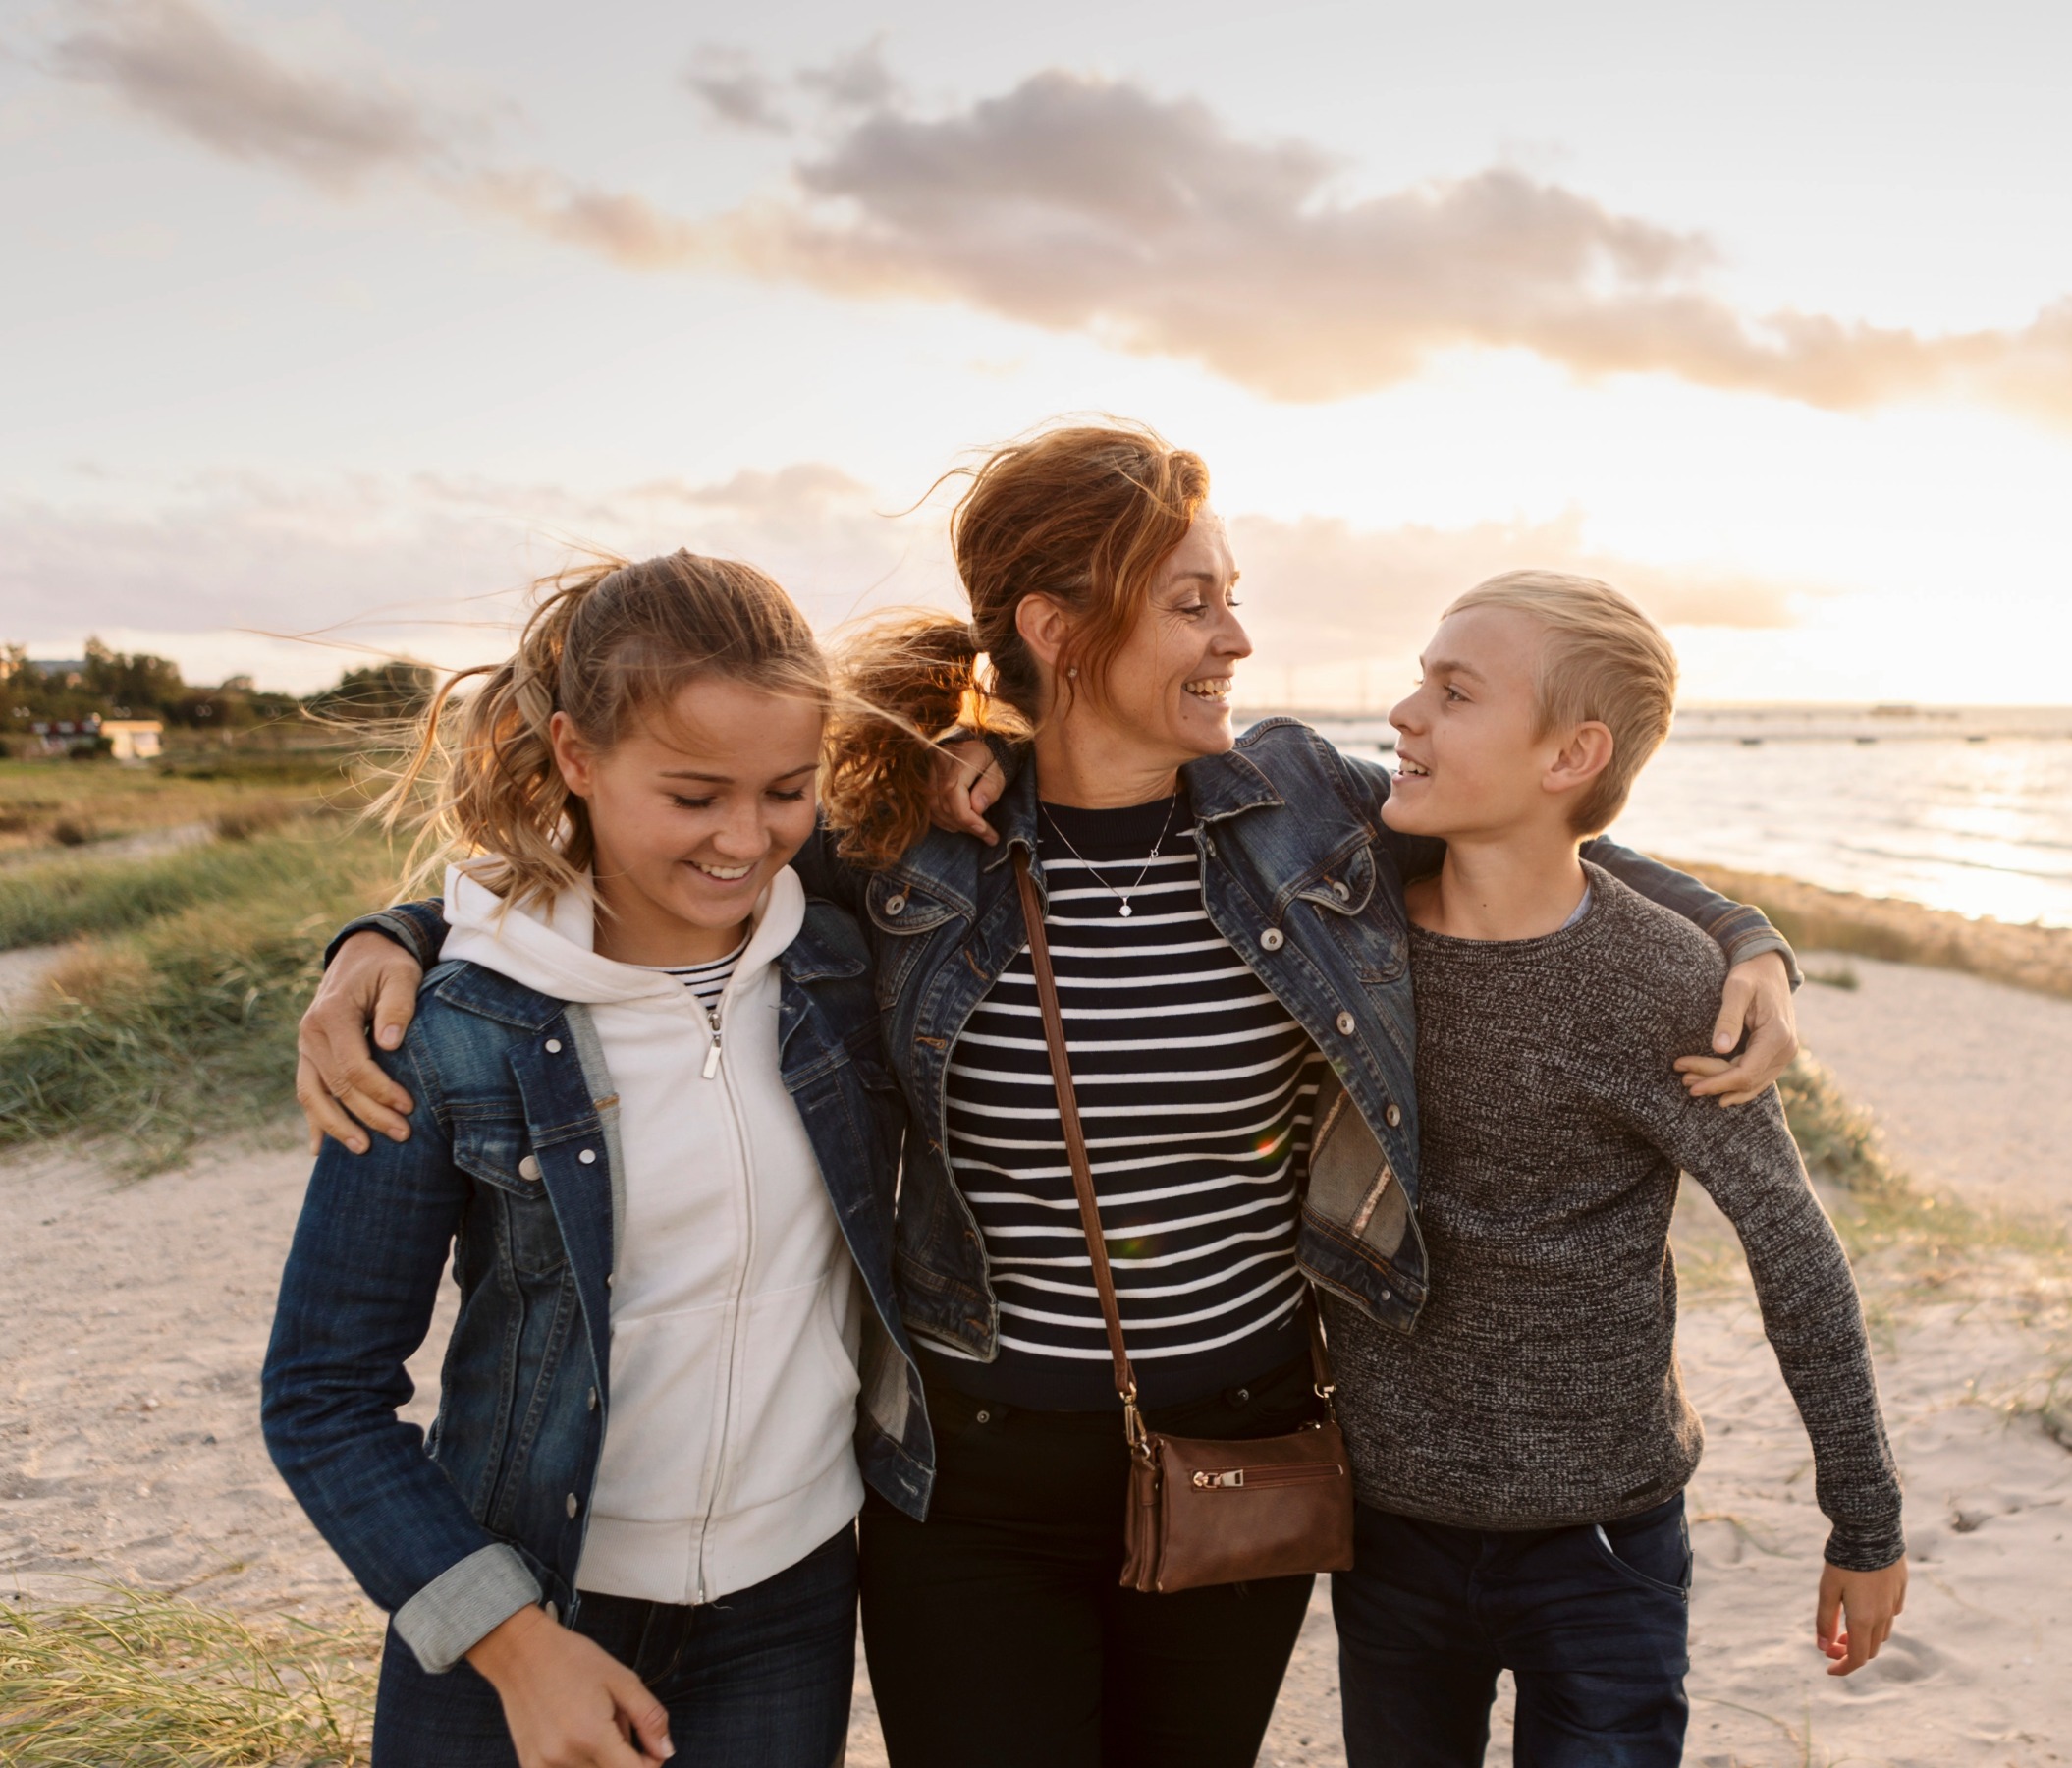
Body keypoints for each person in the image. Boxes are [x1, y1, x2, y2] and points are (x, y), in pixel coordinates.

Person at [293, 423, 1809, 1765]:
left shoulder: (1304, 814)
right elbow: (635, 857)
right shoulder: (906, 841)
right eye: (1196, 600)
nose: (1238, 641)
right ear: (1057, 628)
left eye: (1235, 597)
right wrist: (404, 933)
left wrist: (1746, 935)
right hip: (971, 1481)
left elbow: (1531, 833)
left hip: (1246, 1449)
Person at [259, 553, 931, 1768]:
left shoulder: (838, 971)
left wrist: (981, 755)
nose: (746, 839)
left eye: (788, 789)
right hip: (523, 1608)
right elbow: (322, 1393)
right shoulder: (452, 1030)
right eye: (692, 796)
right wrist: (513, 1644)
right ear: (575, 756)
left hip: (791, 1603)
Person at [1319, 570, 1905, 1766]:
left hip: (1601, 1546)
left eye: (1452, 691)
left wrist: (1865, 1524)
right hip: (1384, 1527)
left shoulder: (1662, 987)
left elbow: (1791, 1248)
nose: (1402, 715)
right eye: (1419, 680)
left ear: (1567, 755)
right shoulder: (1347, 933)